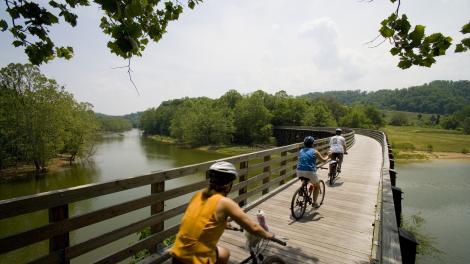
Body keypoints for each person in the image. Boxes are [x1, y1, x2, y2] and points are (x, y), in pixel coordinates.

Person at [171, 161, 274, 264]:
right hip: (196, 260)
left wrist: (222, 224)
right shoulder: (225, 203)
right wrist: (269, 235)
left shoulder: (198, 195)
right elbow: (254, 228)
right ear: (229, 184)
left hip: (177, 254)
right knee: (225, 253)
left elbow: (199, 218)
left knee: (222, 253)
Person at [297, 136, 328, 208]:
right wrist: (328, 156)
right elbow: (323, 160)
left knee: (305, 179)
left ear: (304, 143)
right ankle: (314, 203)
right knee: (316, 186)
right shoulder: (315, 151)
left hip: (299, 171)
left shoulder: (301, 151)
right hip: (310, 172)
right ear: (312, 144)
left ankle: (301, 190)